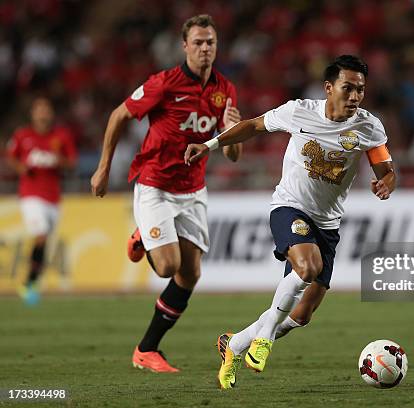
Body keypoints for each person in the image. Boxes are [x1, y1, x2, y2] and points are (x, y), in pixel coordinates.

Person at [185, 55, 396, 389]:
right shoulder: (299, 111)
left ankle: (234, 344)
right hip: (290, 207)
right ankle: (264, 338)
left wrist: (386, 182)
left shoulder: (368, 127)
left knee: (302, 315)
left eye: (360, 89)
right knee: (307, 268)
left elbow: (385, 168)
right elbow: (253, 125)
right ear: (329, 88)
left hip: (328, 224)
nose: (355, 95)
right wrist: (210, 145)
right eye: (348, 88)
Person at [90, 14, 242, 373]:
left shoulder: (226, 91)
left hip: (194, 189)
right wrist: (103, 167)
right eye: (199, 42)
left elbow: (233, 155)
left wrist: (233, 131)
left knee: (190, 274)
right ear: (185, 46)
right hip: (155, 184)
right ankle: (143, 235)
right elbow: (117, 116)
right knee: (168, 267)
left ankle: (147, 349)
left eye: (211, 42)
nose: (205, 48)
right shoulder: (164, 83)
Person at [6, 96, 77, 306]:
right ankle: (29, 282)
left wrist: (58, 160)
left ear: (51, 113)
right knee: (40, 236)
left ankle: (32, 282)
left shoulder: (61, 136)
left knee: (45, 240)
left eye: (46, 109)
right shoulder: (22, 135)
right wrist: (21, 168)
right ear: (33, 113)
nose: (43, 113)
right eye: (39, 109)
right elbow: (11, 157)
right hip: (30, 195)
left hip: (53, 198)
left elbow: (72, 163)